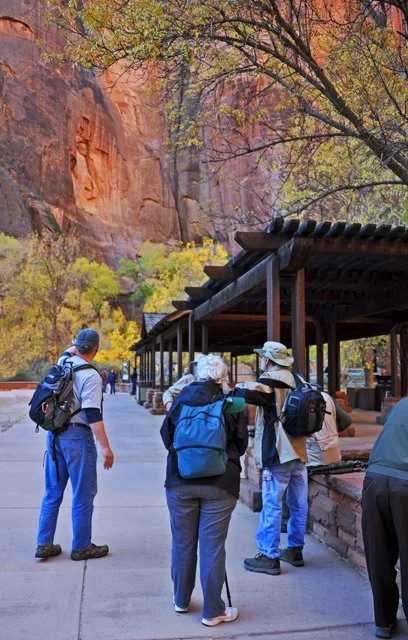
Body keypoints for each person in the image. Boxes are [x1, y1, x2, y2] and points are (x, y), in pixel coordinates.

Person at [160, 354, 248, 627]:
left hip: (180, 481)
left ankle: (181, 600)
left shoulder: (181, 400)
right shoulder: (232, 403)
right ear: (223, 376)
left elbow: (166, 437)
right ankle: (213, 612)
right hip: (221, 484)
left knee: (182, 543)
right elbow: (241, 443)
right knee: (212, 546)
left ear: (197, 374)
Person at [35, 328, 115, 561]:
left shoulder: (64, 362)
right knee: (83, 493)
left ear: (77, 346)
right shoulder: (91, 376)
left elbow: (67, 351)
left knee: (52, 492)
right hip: (77, 438)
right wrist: (106, 447)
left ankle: (44, 543)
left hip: (54, 435)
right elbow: (92, 414)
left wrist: (74, 346)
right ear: (96, 348)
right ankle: (81, 547)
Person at [234, 341, 308, 575]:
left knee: (272, 504)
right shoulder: (298, 380)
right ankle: (295, 550)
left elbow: (243, 393)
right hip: (299, 450)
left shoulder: (269, 381)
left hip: (277, 452)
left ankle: (269, 555)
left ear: (267, 360)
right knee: (298, 504)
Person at [362, 397, 408, 639]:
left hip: (375, 480)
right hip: (404, 484)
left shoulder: (401, 405)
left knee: (379, 554)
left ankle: (383, 620)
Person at [163, 354, 230, 412]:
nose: (196, 367)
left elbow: (228, 394)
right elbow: (168, 393)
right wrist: (170, 408)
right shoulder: (188, 379)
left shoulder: (218, 382)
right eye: (195, 365)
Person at [306, 392, 352, 466]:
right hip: (334, 451)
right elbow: (347, 420)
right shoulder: (327, 396)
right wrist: (332, 431)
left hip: (313, 457)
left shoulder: (296, 398)